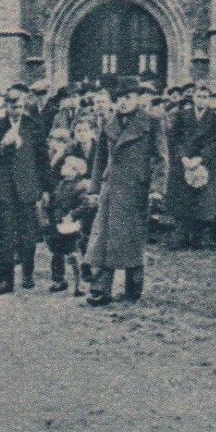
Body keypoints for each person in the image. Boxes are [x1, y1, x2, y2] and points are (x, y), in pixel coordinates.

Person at [85, 82, 169, 306]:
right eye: (119, 98)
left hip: (137, 190)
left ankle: (134, 288)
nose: (123, 102)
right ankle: (100, 288)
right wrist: (94, 188)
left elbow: (161, 159)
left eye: (128, 97)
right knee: (103, 238)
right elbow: (99, 158)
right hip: (111, 189)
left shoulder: (152, 122)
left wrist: (157, 189)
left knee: (132, 240)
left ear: (138, 98)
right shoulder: (109, 123)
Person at [0, 91, 45, 293]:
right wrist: (2, 145)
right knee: (4, 234)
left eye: (18, 107)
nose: (15, 111)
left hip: (27, 187)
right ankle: (5, 279)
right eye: (11, 106)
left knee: (28, 236)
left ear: (24, 106)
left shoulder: (34, 127)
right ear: (6, 106)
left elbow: (42, 160)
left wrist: (47, 189)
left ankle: (27, 272)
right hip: (4, 188)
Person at [165, 84, 216, 249]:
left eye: (205, 97)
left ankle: (198, 237)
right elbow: (174, 139)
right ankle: (181, 235)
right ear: (193, 98)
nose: (201, 100)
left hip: (205, 163)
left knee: (202, 202)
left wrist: (201, 158)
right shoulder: (181, 115)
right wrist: (184, 157)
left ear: (209, 100)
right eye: (199, 96)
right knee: (183, 200)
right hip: (183, 162)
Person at [45, 154, 94, 295]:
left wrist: (73, 215)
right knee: (56, 254)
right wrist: (49, 204)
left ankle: (80, 285)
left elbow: (86, 204)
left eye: (67, 166)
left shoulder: (80, 187)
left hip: (72, 226)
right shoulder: (61, 184)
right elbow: (56, 202)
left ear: (75, 171)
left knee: (74, 255)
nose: (63, 167)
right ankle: (58, 280)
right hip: (58, 223)